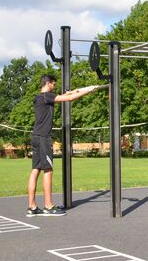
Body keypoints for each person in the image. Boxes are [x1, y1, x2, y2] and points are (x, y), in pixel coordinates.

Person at [27, 75, 99, 217]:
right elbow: (68, 99)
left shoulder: (40, 98)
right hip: (43, 138)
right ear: (48, 84)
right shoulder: (47, 96)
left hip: (36, 137)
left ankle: (32, 207)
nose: (54, 86)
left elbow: (65, 95)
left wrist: (78, 90)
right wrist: (88, 91)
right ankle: (48, 206)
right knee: (48, 170)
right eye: (53, 84)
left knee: (35, 170)